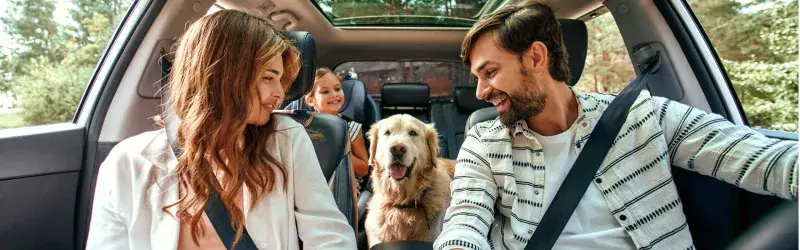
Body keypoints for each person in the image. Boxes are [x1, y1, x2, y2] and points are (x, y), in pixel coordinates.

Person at [434, 2, 798, 250]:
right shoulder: (484, 141)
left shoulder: (645, 115)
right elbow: (466, 219)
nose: (480, 91)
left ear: (536, 57)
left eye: (490, 72)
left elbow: (765, 159)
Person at [85, 10, 356, 250]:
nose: (279, 93)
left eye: (281, 81)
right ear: (224, 75)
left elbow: (328, 234)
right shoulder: (127, 163)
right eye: (268, 78)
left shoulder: (286, 138)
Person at [304, 67, 370, 191]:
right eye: (325, 92)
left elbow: (364, 169)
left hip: (345, 184)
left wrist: (335, 151)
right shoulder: (304, 128)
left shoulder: (351, 128)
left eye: (337, 89)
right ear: (310, 100)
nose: (334, 95)